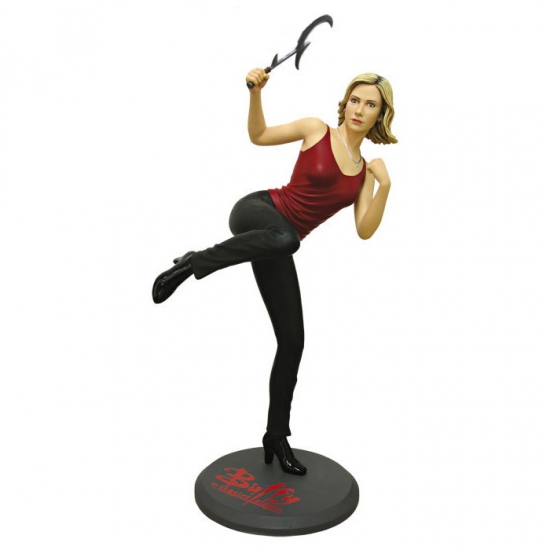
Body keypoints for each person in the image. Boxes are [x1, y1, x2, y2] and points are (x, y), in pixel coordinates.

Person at [152, 68, 397, 475]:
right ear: (345, 102)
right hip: (258, 212)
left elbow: (364, 230)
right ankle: (192, 265)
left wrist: (384, 186)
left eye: (370, 104)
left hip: (278, 242)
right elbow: (259, 135)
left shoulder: (364, 174)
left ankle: (276, 435)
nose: (359, 109)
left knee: (293, 340)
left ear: (380, 114)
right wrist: (255, 94)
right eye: (355, 100)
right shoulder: (316, 129)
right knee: (287, 238)